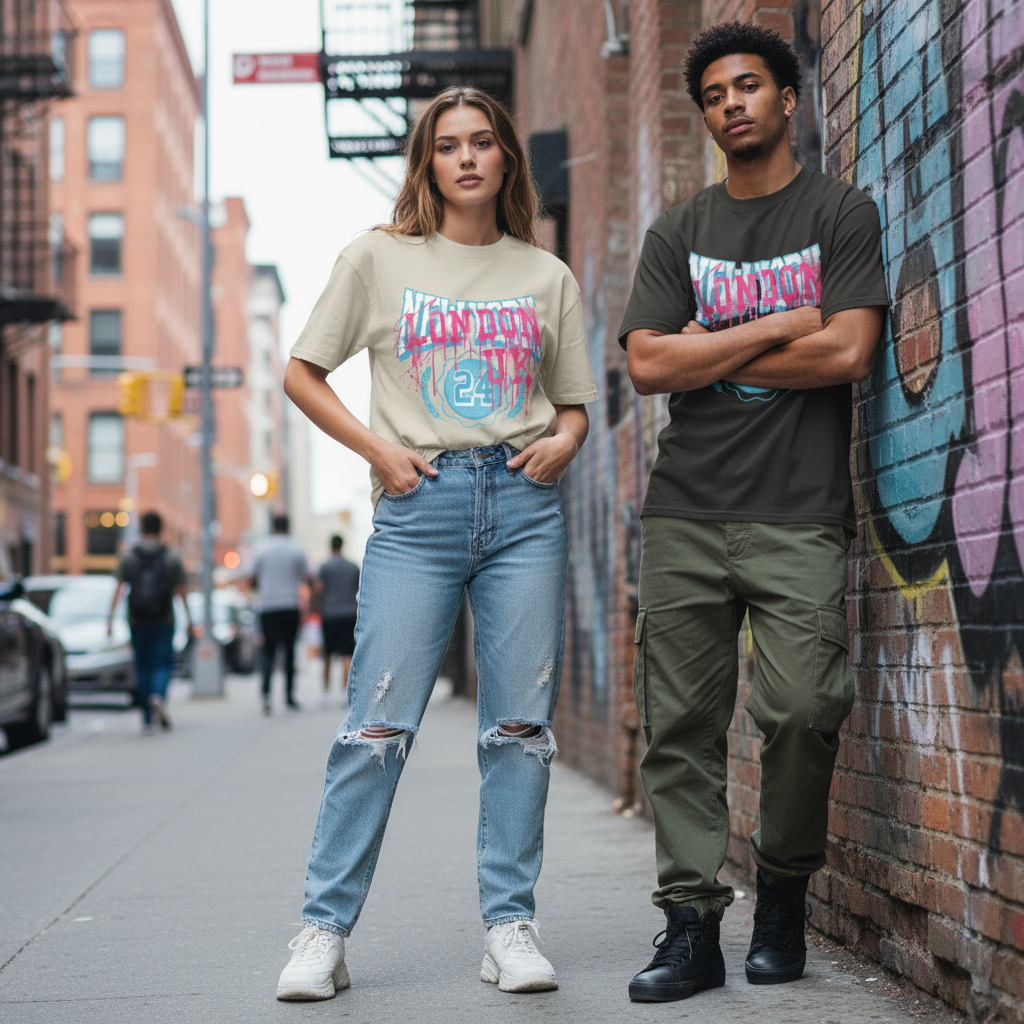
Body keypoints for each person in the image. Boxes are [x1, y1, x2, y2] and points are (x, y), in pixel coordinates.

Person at [275, 85, 598, 1001]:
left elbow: (574, 409)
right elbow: (302, 373)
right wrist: (381, 450)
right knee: (374, 728)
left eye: (482, 142)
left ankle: (510, 927)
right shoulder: (379, 259)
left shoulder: (546, 275)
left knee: (520, 728)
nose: (465, 157)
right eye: (447, 144)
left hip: (524, 508)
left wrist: (564, 443)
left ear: (505, 160)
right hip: (419, 510)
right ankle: (322, 934)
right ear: (427, 162)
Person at [619, 23, 888, 1003]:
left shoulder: (839, 212)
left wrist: (712, 343)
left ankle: (781, 892)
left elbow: (848, 352)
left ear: (787, 100)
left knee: (807, 708)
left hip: (798, 511)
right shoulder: (678, 232)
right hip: (686, 508)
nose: (731, 103)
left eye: (748, 87)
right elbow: (648, 363)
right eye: (715, 95)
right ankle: (689, 927)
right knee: (680, 727)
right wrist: (780, 320)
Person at [108, 511, 193, 733]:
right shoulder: (171, 556)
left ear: (141, 528)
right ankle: (158, 696)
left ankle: (147, 719)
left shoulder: (129, 556)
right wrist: (190, 619)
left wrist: (109, 619)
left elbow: (118, 588)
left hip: (136, 619)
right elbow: (181, 591)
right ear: (161, 529)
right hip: (164, 619)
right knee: (163, 664)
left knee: (142, 666)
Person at [251, 514, 310, 714]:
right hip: (290, 606)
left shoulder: (261, 549)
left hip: (268, 607)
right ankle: (289, 697)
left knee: (268, 652)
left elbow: (251, 577)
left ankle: (266, 696)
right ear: (288, 526)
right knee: (289, 653)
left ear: (272, 527)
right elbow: (306, 575)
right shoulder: (296, 549)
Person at [316, 534, 359, 702]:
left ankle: (326, 692)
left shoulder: (325, 567)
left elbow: (319, 589)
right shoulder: (353, 567)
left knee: (327, 653)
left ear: (330, 546)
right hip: (349, 613)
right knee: (347, 654)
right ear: (342, 545)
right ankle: (344, 692)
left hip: (330, 614)